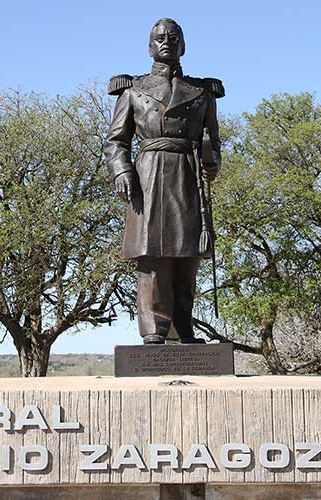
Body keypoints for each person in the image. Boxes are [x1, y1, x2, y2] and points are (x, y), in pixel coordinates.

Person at [104, 18, 224, 345]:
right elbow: (116, 142)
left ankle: (183, 327)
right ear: (149, 46)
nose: (166, 41)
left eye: (173, 37)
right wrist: (122, 171)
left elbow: (212, 138)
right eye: (159, 37)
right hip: (149, 176)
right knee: (153, 255)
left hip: (187, 177)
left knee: (187, 255)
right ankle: (154, 330)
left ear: (183, 45)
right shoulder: (132, 90)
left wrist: (212, 163)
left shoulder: (202, 93)